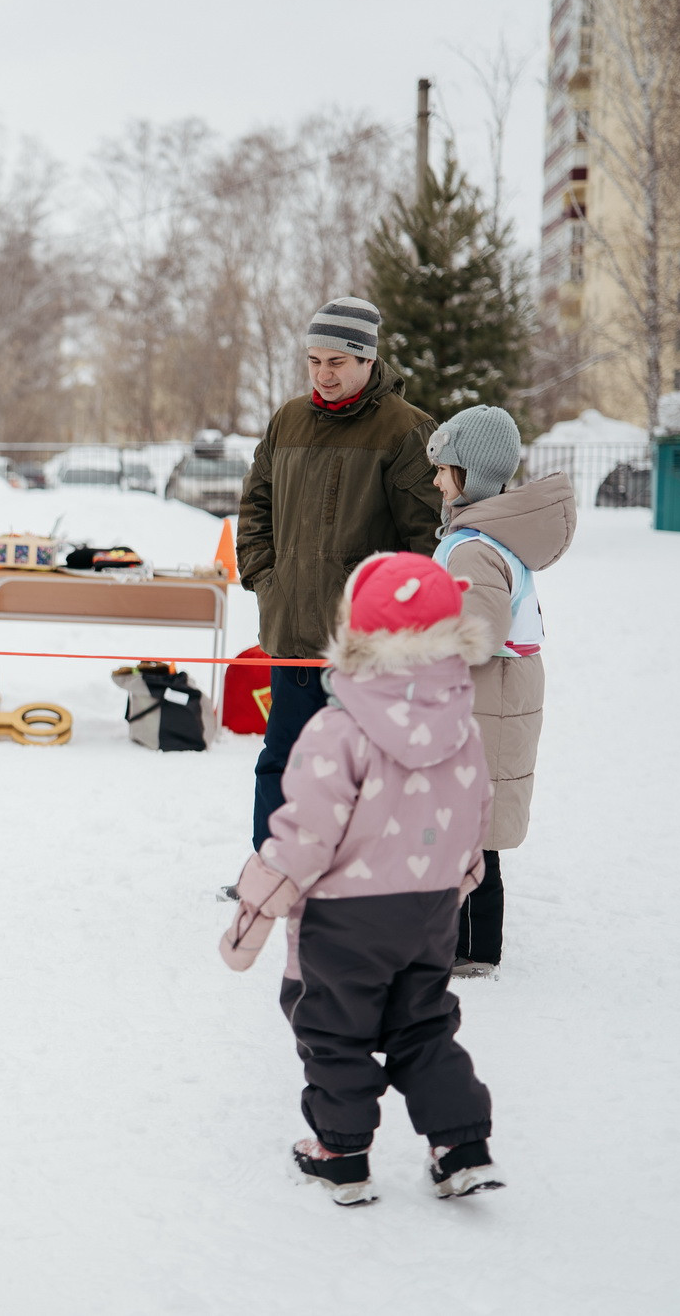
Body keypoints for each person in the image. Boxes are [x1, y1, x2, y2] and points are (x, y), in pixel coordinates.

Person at [220, 552, 504, 1207]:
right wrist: (461, 877)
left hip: (344, 918)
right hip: (430, 910)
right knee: (422, 1024)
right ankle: (460, 1145)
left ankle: (341, 1151)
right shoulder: (460, 726)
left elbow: (305, 833)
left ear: (355, 630)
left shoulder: (337, 728)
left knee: (333, 1027)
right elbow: (473, 812)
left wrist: (256, 906)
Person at [237, 297, 444, 852]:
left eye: (337, 362)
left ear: (368, 361)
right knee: (281, 760)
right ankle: (273, 868)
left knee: (357, 769)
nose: (323, 375)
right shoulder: (287, 420)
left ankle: (351, 877)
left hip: (362, 648)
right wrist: (265, 577)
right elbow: (255, 505)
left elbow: (428, 542)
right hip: (291, 635)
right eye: (314, 361)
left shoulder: (406, 430)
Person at [427, 407, 576, 977]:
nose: (436, 480)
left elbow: (477, 634)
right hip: (491, 699)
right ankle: (467, 946)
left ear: (472, 474)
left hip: (486, 702)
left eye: (444, 470)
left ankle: (466, 952)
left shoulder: (474, 548)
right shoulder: (486, 538)